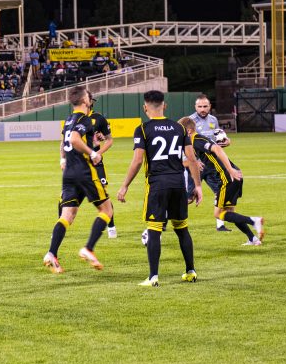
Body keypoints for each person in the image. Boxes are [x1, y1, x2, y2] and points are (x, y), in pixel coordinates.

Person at [117, 90, 203, 287]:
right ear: (165, 106)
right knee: (182, 228)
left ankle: (153, 277)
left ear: (145, 107)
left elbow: (138, 160)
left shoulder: (143, 129)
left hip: (157, 184)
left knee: (154, 229)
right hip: (178, 184)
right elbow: (191, 159)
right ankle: (190, 271)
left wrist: (124, 185)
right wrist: (197, 186)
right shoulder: (179, 128)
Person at [43, 87, 112, 274]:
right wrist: (93, 152)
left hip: (69, 173)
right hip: (84, 171)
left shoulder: (69, 120)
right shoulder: (84, 119)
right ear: (84, 101)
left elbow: (67, 141)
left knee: (67, 216)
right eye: (89, 98)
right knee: (107, 210)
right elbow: (74, 139)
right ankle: (88, 248)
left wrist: (63, 158)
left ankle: (51, 253)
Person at [178, 117, 263, 245]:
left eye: (181, 132)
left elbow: (217, 149)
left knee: (218, 214)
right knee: (230, 212)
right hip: (233, 176)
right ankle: (253, 239)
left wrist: (229, 170)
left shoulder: (197, 140)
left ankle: (253, 221)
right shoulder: (195, 142)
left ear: (188, 131)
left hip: (227, 177)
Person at [186, 94, 231, 232]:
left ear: (210, 106)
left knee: (220, 193)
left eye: (205, 106)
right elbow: (186, 144)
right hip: (196, 165)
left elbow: (216, 140)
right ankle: (164, 219)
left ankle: (220, 225)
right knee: (187, 198)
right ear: (195, 107)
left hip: (211, 165)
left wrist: (225, 141)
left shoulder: (213, 120)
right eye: (200, 106)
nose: (203, 109)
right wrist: (194, 161)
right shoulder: (189, 121)